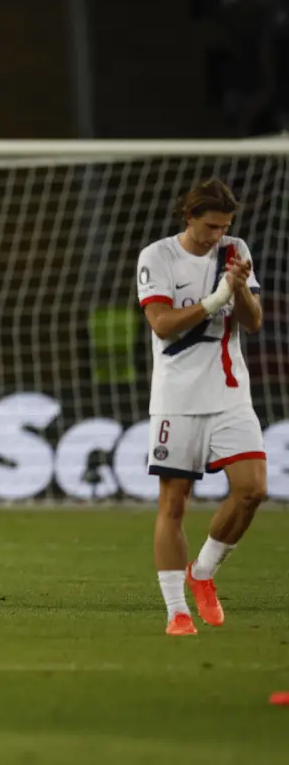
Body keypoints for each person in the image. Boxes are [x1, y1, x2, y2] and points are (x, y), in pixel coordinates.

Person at [136, 179, 266, 636]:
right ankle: (176, 611)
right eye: (211, 226)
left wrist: (240, 288)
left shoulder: (234, 250)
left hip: (230, 393)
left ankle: (203, 572)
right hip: (177, 399)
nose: (217, 235)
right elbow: (162, 325)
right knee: (174, 504)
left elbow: (253, 323)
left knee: (252, 490)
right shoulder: (158, 257)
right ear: (189, 217)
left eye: (225, 227)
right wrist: (215, 299)